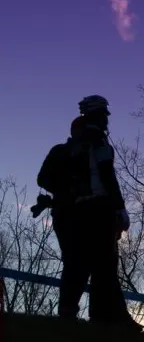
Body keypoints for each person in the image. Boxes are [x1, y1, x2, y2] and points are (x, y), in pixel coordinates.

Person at [61, 95, 137, 329]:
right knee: (105, 265)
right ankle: (107, 317)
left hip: (80, 210)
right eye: (104, 115)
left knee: (82, 262)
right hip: (100, 208)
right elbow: (107, 175)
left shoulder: (76, 145)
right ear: (98, 115)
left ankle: (73, 311)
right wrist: (119, 207)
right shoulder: (98, 142)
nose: (106, 121)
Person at [36, 117, 85, 319]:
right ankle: (67, 310)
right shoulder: (60, 151)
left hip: (87, 214)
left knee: (83, 263)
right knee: (73, 260)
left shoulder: (90, 153)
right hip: (65, 213)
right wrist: (67, 187)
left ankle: (74, 310)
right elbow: (43, 178)